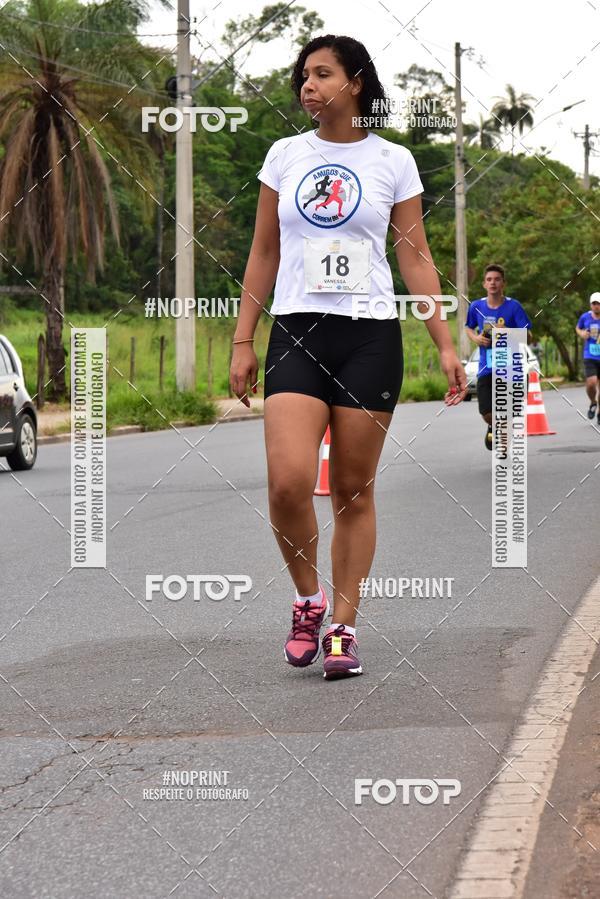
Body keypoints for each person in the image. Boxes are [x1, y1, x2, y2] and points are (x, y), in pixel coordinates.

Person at [230, 34, 467, 680]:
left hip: (369, 336)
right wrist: (244, 337)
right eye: (303, 75)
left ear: (356, 83)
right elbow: (264, 251)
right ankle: (307, 599)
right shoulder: (284, 156)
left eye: (322, 73)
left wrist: (445, 344)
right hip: (299, 331)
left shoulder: (394, 161)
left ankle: (342, 626)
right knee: (287, 480)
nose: (308, 85)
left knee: (354, 492)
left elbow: (414, 256)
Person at [465, 265, 532, 450]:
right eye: (489, 279)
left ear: (503, 283)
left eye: (497, 279)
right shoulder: (476, 307)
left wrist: (508, 332)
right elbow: (468, 327)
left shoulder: (514, 307)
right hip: (488, 368)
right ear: (484, 284)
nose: (493, 283)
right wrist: (476, 338)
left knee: (509, 414)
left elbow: (529, 336)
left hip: (513, 369)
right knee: (487, 412)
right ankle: (492, 425)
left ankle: (503, 451)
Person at [575, 292, 600, 422]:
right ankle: (593, 402)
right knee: (591, 383)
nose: (596, 306)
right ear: (591, 305)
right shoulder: (585, 317)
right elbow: (578, 328)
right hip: (590, 355)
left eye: (598, 304)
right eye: (594, 303)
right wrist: (582, 333)